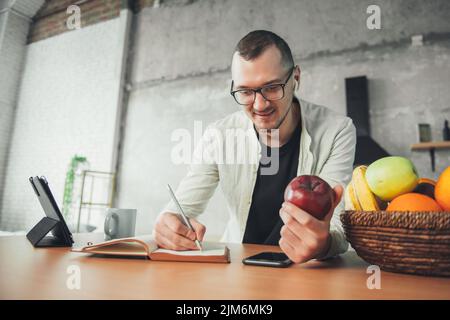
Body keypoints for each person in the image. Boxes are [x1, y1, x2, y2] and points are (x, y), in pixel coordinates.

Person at [153, 30, 356, 263]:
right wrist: (167, 223)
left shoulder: (337, 130)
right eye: (246, 91)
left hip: (308, 271)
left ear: (296, 79)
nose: (259, 105)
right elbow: (181, 208)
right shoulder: (219, 136)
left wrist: (323, 244)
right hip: (239, 268)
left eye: (271, 87)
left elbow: (338, 230)